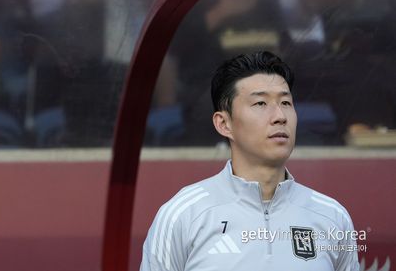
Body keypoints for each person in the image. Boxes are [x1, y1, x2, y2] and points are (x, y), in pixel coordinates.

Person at [140, 51, 361, 271]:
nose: (280, 116)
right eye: (260, 103)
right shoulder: (183, 215)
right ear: (224, 124)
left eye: (286, 102)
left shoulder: (332, 217)